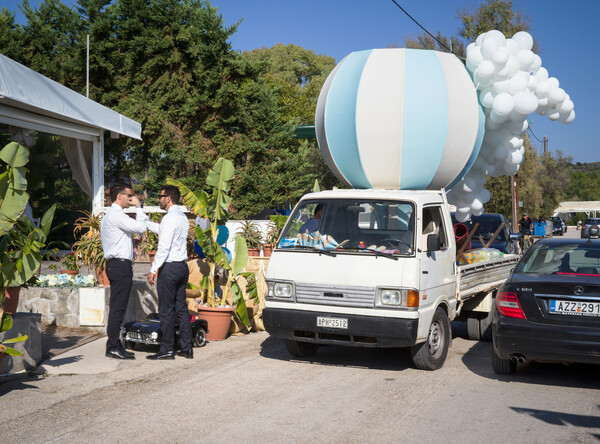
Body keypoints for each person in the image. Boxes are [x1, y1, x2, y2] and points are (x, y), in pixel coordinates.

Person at [101, 183, 149, 360]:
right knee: (117, 308)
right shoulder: (116, 215)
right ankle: (113, 346)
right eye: (129, 195)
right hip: (119, 266)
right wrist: (140, 207)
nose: (131, 198)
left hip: (117, 264)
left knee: (117, 307)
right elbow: (140, 227)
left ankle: (114, 344)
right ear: (119, 196)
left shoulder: (111, 216)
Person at [146, 185, 193, 360]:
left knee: (166, 310)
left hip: (170, 268)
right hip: (182, 267)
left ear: (169, 198)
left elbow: (164, 247)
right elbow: (165, 233)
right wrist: (147, 224)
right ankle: (187, 348)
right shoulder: (181, 217)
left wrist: (153, 269)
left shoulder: (169, 218)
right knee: (181, 308)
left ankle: (167, 350)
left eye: (160, 196)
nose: (158, 199)